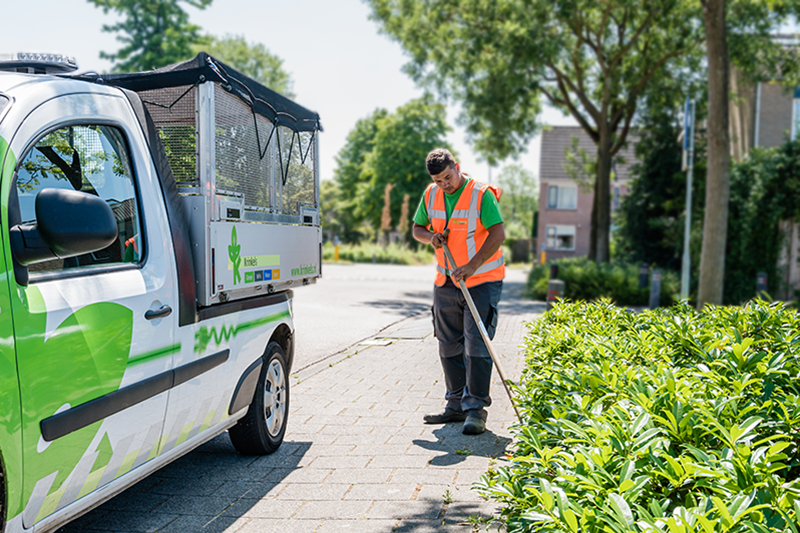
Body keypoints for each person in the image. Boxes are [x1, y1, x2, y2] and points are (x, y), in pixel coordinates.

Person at [412, 148, 505, 435]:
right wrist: (432, 237)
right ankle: (454, 405)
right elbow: (417, 228)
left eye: (448, 177)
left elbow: (498, 233)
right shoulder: (430, 195)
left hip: (481, 281)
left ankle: (475, 409)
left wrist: (472, 265)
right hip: (446, 281)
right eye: (438, 180)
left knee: (476, 344)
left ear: (458, 167)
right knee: (448, 342)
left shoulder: (481, 194)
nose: (444, 185)